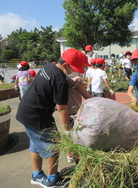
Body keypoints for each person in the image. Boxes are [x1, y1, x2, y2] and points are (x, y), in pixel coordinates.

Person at [16, 48, 88, 187]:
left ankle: (37, 175)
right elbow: (62, 108)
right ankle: (52, 180)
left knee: (35, 144)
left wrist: (71, 79)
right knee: (53, 145)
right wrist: (67, 130)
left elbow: (53, 81)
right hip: (37, 116)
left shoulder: (49, 66)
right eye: (73, 69)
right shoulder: (59, 81)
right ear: (65, 65)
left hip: (26, 111)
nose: (74, 72)